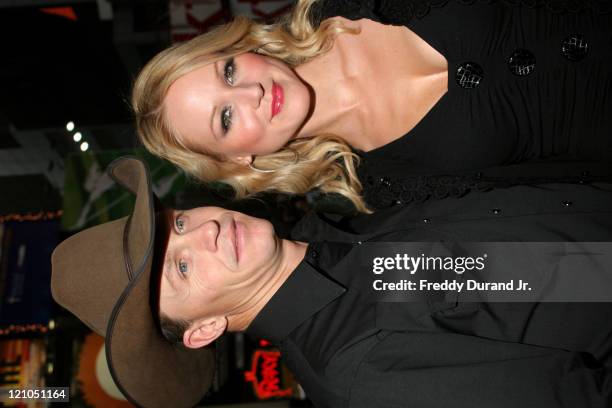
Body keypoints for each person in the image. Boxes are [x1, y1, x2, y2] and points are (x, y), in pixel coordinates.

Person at [52, 157, 612, 408]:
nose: (206, 231)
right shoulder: (361, 374)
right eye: (181, 267)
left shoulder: (336, 226)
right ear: (203, 330)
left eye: (177, 224)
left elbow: (537, 257)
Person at [132, 0, 612, 212]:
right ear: (238, 159)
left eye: (228, 73)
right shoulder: (384, 191)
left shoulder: (350, 4)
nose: (250, 94)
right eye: (226, 117)